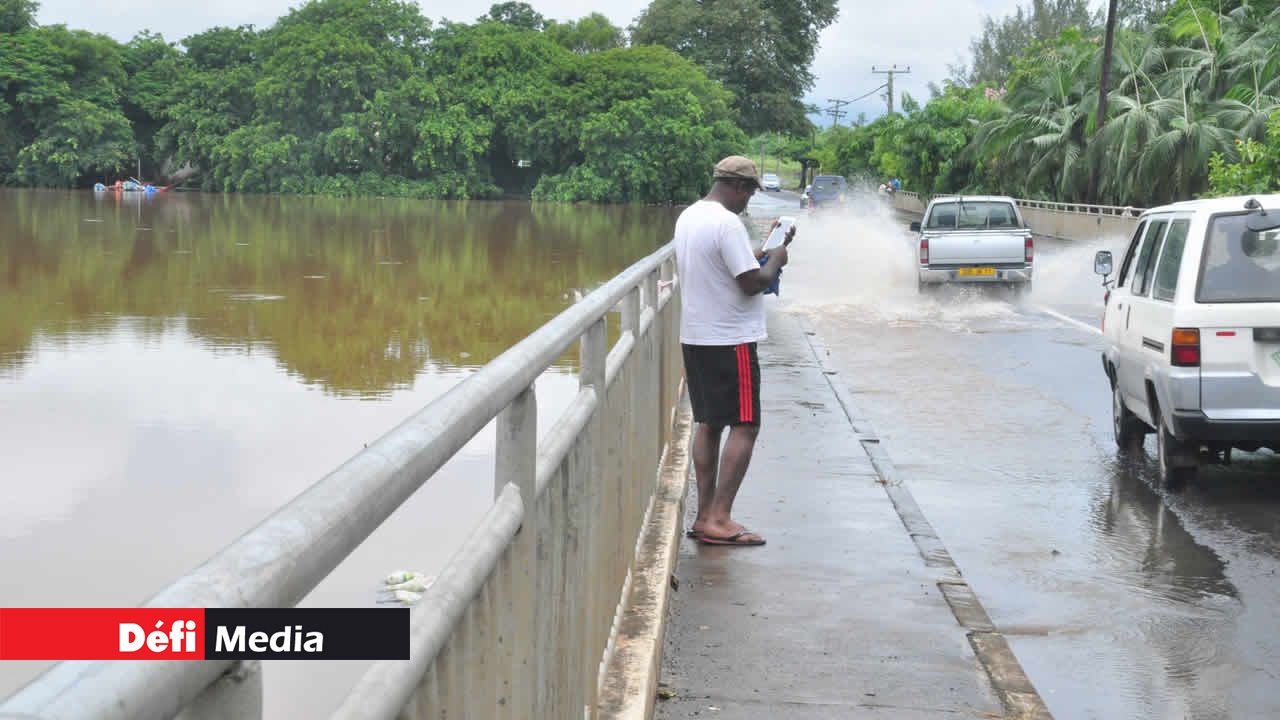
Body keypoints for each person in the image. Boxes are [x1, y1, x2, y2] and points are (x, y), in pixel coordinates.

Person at [673, 155, 795, 547]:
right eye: (749, 194)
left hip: (696, 336)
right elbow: (750, 283)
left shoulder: (690, 216)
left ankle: (704, 515)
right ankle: (719, 518)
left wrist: (761, 252)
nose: (748, 202)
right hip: (730, 339)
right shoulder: (727, 223)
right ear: (740, 188)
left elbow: (729, 267)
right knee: (745, 424)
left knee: (709, 423)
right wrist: (776, 259)